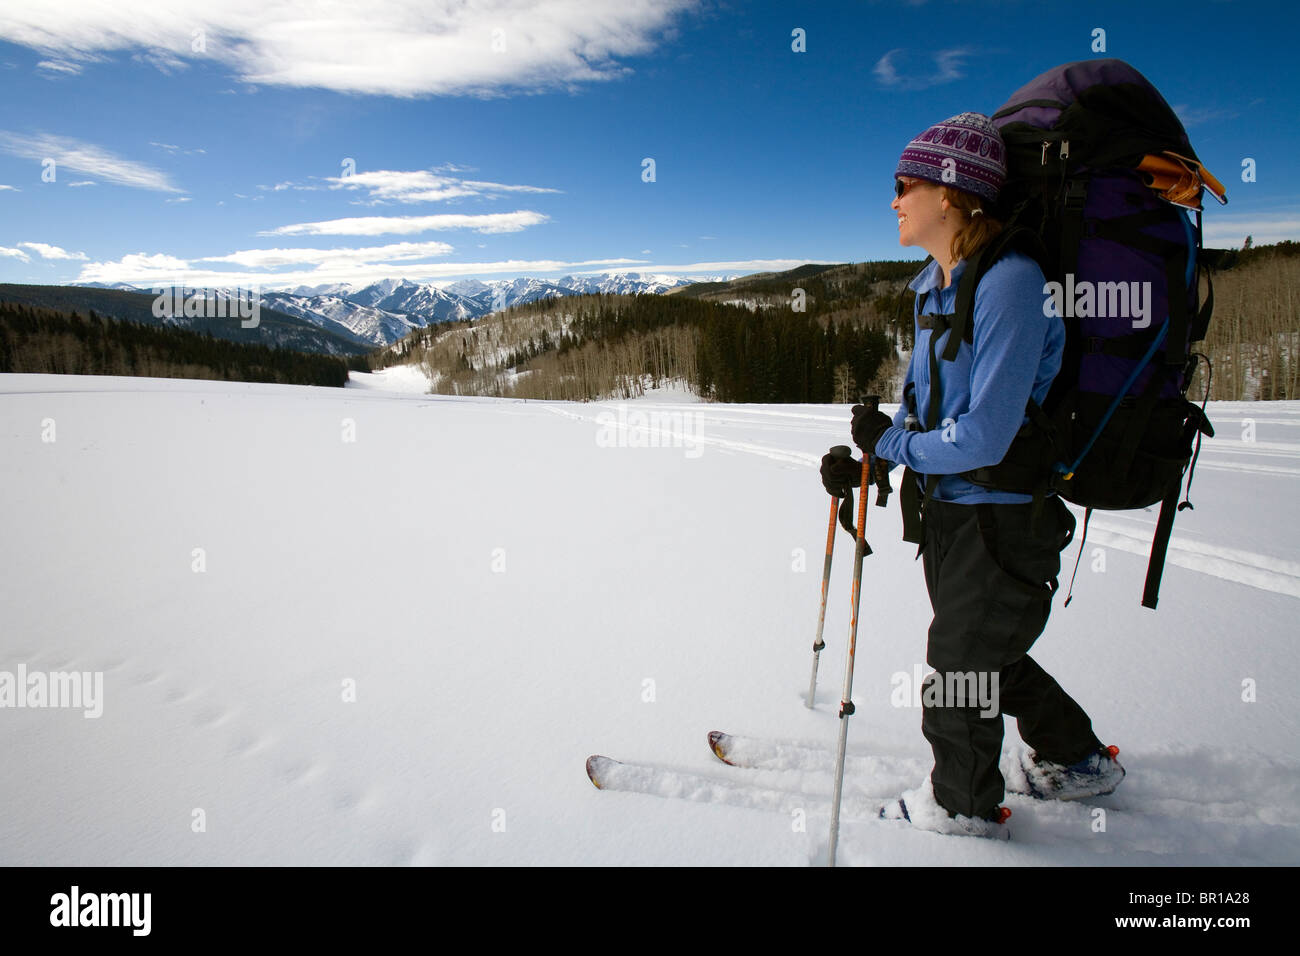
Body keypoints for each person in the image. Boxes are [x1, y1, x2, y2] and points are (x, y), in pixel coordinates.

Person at [820, 112, 1124, 838]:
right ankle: (1078, 759)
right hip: (949, 516)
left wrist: (896, 445)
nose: (893, 200)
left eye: (904, 185)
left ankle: (961, 812)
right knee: (989, 655)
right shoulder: (933, 286)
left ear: (951, 193)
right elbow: (922, 411)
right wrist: (870, 459)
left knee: (958, 671)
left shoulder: (1013, 282)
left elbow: (987, 435)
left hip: (1003, 516)